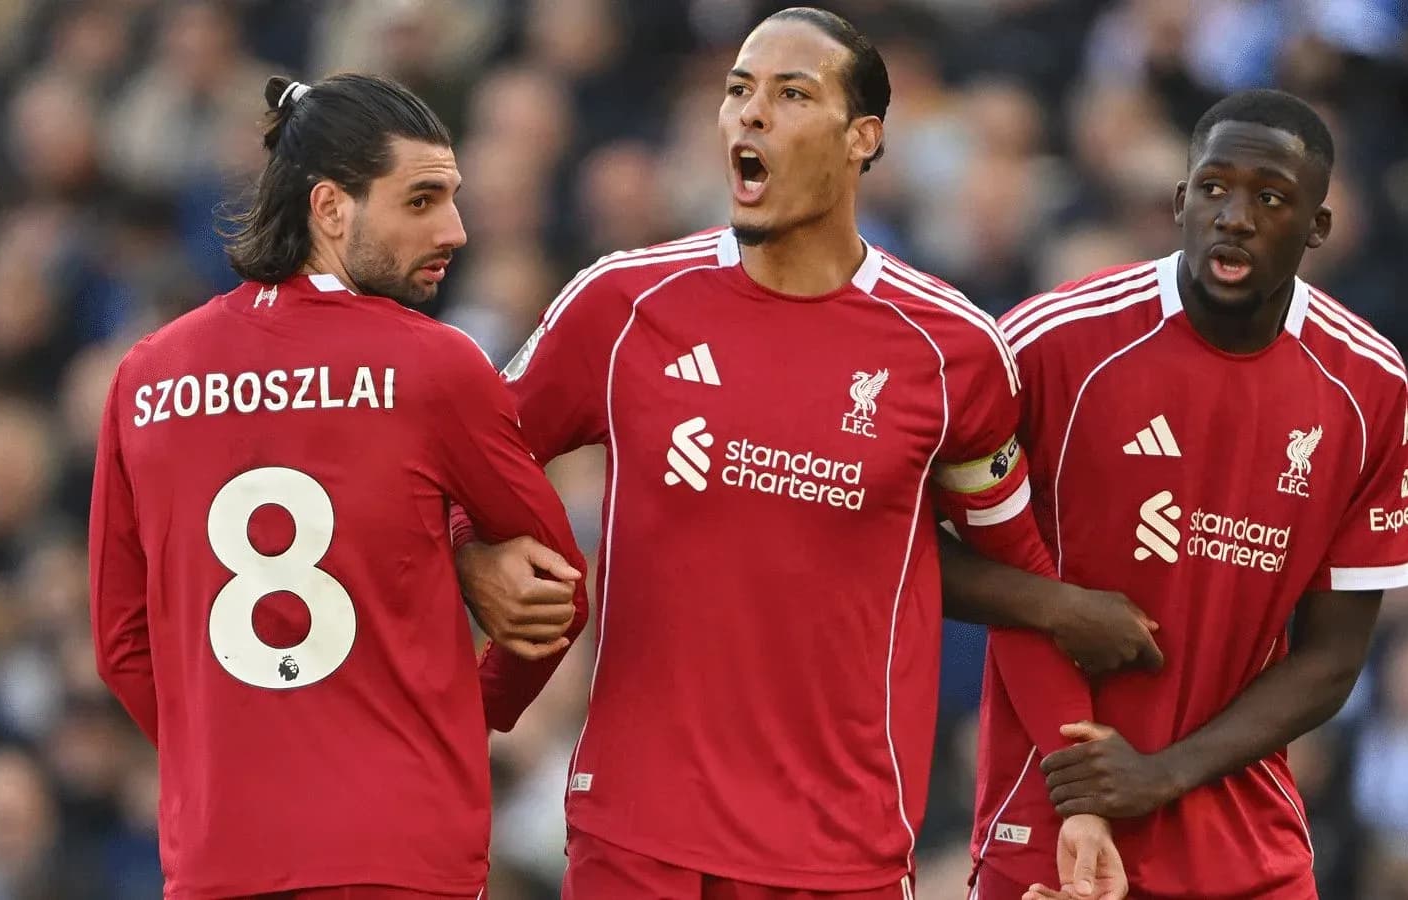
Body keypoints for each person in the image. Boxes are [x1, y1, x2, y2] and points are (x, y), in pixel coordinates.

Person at [462, 8, 1158, 899]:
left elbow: (1022, 576)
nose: (751, 114)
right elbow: (464, 468)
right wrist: (470, 557)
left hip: (841, 850)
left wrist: (1082, 807)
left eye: (792, 95)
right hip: (635, 836)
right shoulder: (621, 304)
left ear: (863, 138)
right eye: (738, 92)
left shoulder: (952, 351)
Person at [88, 73, 589, 898]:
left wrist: (221, 760)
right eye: (423, 201)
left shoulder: (144, 377)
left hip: (222, 857)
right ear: (330, 208)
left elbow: (120, 642)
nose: (457, 229)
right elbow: (557, 591)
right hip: (399, 848)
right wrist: (469, 714)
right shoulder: (434, 365)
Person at [967, 89, 1408, 900]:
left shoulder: (1368, 384)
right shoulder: (1050, 343)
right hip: (1055, 821)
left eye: (1271, 198)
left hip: (1241, 835)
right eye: (1214, 189)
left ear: (1318, 227)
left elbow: (1333, 658)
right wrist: (1059, 608)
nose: (1234, 216)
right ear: (1181, 202)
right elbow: (923, 545)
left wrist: (1162, 774)